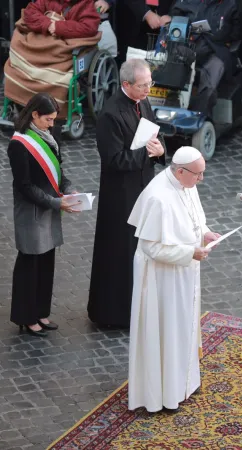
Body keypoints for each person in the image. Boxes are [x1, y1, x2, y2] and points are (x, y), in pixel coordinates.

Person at [127, 146, 221, 413]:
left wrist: (206, 234)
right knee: (165, 330)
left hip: (184, 272)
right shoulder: (158, 197)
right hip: (161, 278)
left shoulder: (186, 184)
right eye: (198, 174)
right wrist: (190, 252)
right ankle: (163, 394)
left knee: (183, 326)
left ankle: (184, 382)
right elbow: (151, 247)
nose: (201, 179)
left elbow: (194, 219)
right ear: (180, 171)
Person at [88, 58, 167, 328]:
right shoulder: (110, 114)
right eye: (143, 85)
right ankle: (116, 314)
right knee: (121, 253)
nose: (148, 90)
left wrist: (160, 151)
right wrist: (146, 153)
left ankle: (141, 305)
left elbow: (154, 134)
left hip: (144, 188)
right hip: (120, 197)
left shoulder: (142, 102)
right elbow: (114, 160)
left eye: (150, 84)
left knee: (142, 249)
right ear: (126, 84)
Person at [8, 93, 81, 337]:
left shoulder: (49, 137)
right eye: (48, 119)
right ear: (34, 115)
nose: (52, 124)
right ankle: (25, 317)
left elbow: (59, 172)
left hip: (50, 207)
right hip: (32, 212)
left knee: (46, 264)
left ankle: (40, 311)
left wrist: (70, 191)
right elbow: (25, 186)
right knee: (30, 265)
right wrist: (56, 202)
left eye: (53, 119)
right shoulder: (19, 145)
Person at [164, 0, 242, 116]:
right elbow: (175, 18)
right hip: (189, 45)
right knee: (176, 59)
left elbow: (236, 32)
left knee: (211, 74)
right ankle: (171, 107)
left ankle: (200, 115)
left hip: (216, 49)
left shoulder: (231, 5)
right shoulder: (186, 2)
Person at [22, 0, 101, 39]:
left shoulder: (85, 4)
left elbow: (89, 28)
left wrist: (58, 27)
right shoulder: (47, 1)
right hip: (44, 43)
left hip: (67, 50)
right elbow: (30, 12)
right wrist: (48, 25)